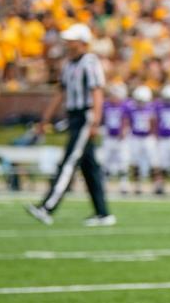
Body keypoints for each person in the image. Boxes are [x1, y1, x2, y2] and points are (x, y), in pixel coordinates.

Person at [25, 24, 114, 227]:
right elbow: (59, 94)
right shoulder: (69, 65)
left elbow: (97, 93)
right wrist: (44, 120)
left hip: (86, 116)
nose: (68, 43)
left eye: (72, 40)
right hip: (74, 117)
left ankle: (47, 206)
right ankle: (103, 213)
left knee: (68, 162)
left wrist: (95, 121)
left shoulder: (90, 63)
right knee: (89, 167)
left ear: (82, 42)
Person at [99, 82, 131, 191]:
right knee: (106, 161)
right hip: (109, 136)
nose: (113, 97)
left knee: (123, 161)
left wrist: (124, 130)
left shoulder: (126, 105)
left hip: (121, 138)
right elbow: (102, 118)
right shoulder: (106, 105)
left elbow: (126, 119)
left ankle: (123, 185)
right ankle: (104, 184)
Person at [126, 85, 157, 193]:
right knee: (135, 162)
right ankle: (137, 185)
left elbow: (154, 123)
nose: (140, 103)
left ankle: (156, 184)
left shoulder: (152, 108)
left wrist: (154, 135)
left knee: (153, 162)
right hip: (135, 137)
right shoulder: (131, 107)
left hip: (147, 137)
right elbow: (127, 121)